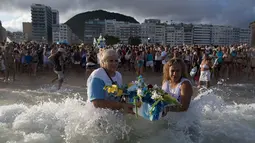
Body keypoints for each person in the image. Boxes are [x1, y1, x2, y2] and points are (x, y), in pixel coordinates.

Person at [87, 49, 134, 114]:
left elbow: (118, 96)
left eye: (116, 61)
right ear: (103, 62)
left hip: (112, 113)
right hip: (96, 115)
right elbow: (97, 103)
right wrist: (122, 106)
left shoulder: (118, 75)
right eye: (110, 61)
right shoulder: (98, 75)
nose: (114, 63)